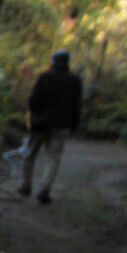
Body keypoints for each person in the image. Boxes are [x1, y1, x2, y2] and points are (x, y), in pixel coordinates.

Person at [20, 49, 83, 204]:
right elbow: (77, 106)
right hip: (62, 125)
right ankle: (44, 189)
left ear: (53, 61)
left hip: (41, 124)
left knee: (30, 154)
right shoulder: (75, 80)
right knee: (53, 158)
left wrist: (34, 116)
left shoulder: (45, 77)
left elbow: (33, 100)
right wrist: (74, 126)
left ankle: (26, 185)